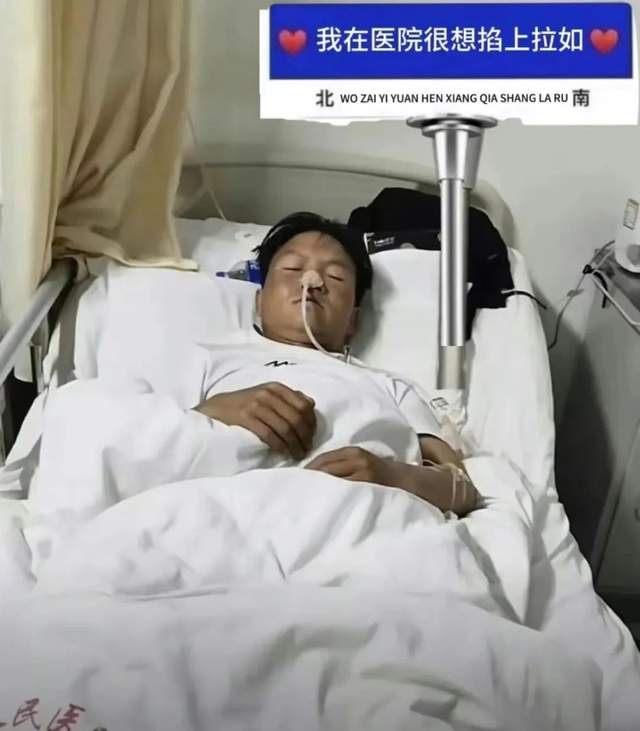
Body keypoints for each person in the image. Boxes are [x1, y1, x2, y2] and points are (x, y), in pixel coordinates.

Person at [193, 212, 478, 516]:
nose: (312, 281)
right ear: (259, 301)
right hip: (232, 511)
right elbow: (161, 441)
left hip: (362, 514)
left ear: (353, 320)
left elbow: (459, 488)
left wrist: (392, 477)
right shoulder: (208, 358)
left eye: (335, 276)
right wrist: (217, 410)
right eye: (292, 268)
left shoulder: (390, 386)